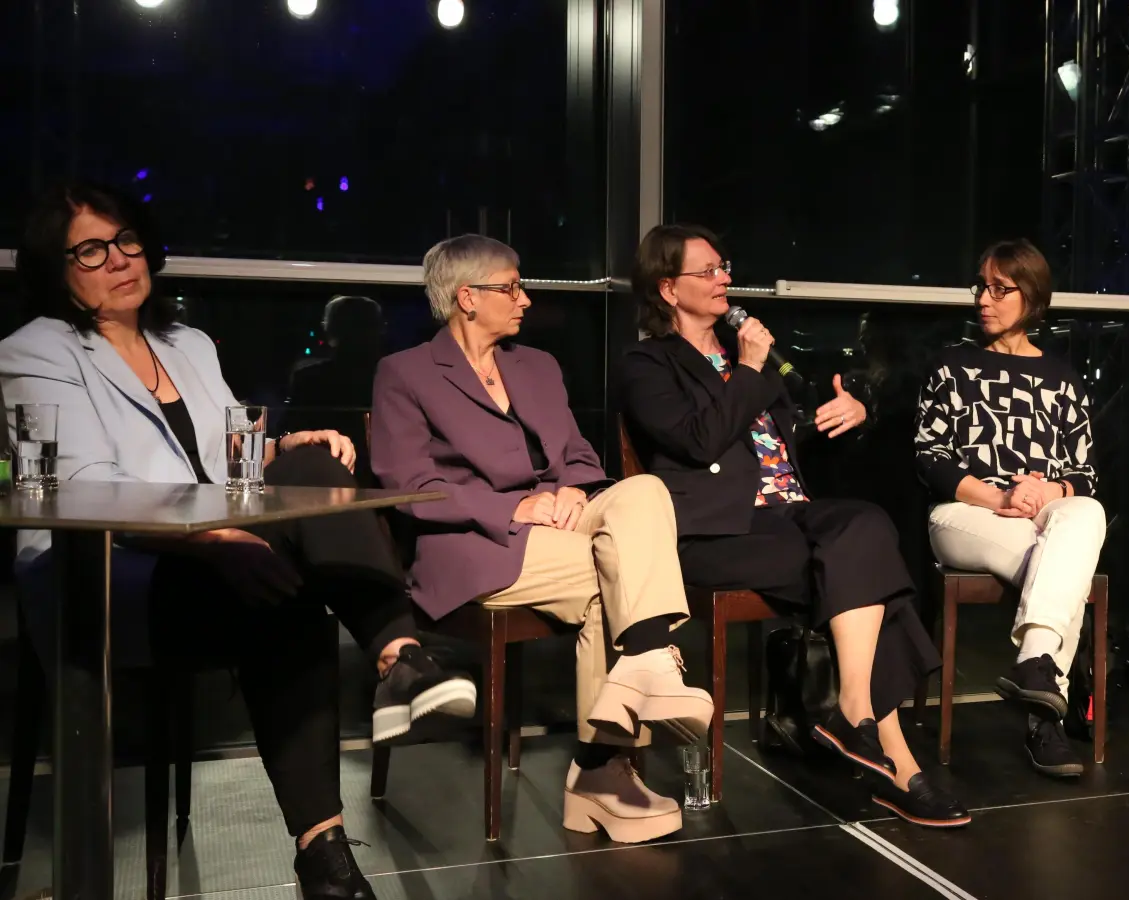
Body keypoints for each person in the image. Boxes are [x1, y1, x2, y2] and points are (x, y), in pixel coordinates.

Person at [0, 182, 477, 899]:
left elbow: (229, 460)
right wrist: (213, 542)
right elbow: (90, 489)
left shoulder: (185, 343)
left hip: (216, 550)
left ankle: (393, 669)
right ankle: (334, 832)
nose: (119, 260)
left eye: (128, 240)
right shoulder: (33, 351)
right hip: (106, 571)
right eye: (91, 250)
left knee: (315, 473)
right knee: (284, 604)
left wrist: (287, 446)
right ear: (55, 266)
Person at [619, 224, 968, 828]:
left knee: (865, 525)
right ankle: (901, 768)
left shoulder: (742, 359)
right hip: (717, 535)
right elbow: (699, 439)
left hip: (789, 517)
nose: (724, 277)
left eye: (723, 265)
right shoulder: (648, 364)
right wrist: (750, 370)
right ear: (669, 289)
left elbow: (779, 446)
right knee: (868, 575)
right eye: (708, 271)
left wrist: (849, 416)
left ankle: (856, 715)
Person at [368, 234, 712, 844]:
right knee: (616, 575)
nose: (525, 299)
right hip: (475, 543)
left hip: (562, 522)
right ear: (466, 298)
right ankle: (604, 766)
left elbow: (578, 454)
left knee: (644, 493)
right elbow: (409, 483)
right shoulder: (406, 373)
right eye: (512, 287)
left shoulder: (537, 366)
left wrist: (576, 490)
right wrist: (518, 506)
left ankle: (641, 673)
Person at [912, 239, 1107, 778]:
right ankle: (1047, 717)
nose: (984, 299)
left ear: (1033, 299)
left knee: (1087, 513)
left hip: (1042, 514)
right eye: (981, 286)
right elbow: (930, 458)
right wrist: (1000, 496)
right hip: (963, 514)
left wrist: (1051, 492)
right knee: (1064, 564)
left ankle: (1036, 672)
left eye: (1001, 289)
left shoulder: (1064, 379)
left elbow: (1084, 475)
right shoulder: (953, 366)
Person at [282, 294, 387, 482]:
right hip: (322, 478)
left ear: (330, 331)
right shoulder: (308, 379)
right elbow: (290, 437)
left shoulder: (308, 378)